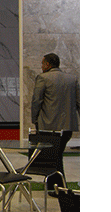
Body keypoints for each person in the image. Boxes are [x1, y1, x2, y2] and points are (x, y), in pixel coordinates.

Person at [30, 53, 79, 190]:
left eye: (42, 63)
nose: (41, 66)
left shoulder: (43, 78)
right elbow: (79, 102)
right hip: (67, 127)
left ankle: (57, 187)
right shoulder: (72, 79)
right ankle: (54, 185)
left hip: (48, 126)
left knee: (53, 157)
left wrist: (35, 119)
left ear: (47, 65)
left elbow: (36, 101)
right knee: (57, 155)